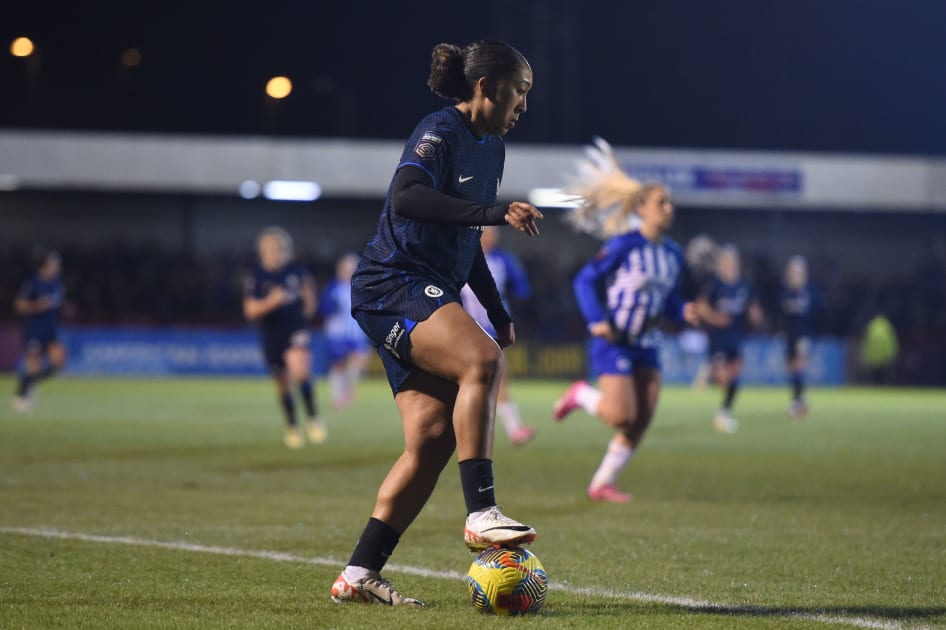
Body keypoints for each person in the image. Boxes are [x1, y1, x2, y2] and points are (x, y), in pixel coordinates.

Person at [330, 40, 543, 607]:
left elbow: (467, 237)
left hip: (425, 289)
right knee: (481, 362)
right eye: (519, 90)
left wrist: (496, 310)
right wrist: (497, 212)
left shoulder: (492, 149)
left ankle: (358, 575)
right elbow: (406, 197)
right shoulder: (440, 130)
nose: (524, 103)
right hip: (391, 281)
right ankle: (482, 512)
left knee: (430, 439)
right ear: (485, 86)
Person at [552, 137, 699, 503]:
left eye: (670, 202)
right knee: (620, 416)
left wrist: (685, 312)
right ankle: (580, 393)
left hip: (648, 343)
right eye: (661, 202)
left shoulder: (672, 253)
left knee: (642, 419)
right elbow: (585, 279)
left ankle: (601, 483)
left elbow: (669, 303)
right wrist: (596, 319)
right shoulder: (624, 245)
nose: (669, 208)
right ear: (642, 209)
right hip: (614, 339)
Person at [243, 227, 325, 449]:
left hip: (295, 328)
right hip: (272, 332)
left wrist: (305, 311)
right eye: (270, 248)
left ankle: (312, 417)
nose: (275, 252)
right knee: (283, 383)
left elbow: (310, 298)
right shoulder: (258, 277)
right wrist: (272, 302)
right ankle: (292, 424)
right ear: (262, 251)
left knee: (300, 372)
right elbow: (250, 310)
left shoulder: (296, 271)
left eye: (279, 248)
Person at [460, 226, 537, 446]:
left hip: (493, 326)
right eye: (489, 233)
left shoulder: (503, 259)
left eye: (495, 234)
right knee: (475, 377)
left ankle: (512, 429)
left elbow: (523, 287)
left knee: (499, 376)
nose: (493, 238)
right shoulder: (463, 256)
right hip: (466, 326)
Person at [695, 245, 764, 433]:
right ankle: (710, 372)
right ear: (721, 263)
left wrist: (755, 315)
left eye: (733, 261)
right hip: (717, 336)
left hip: (736, 335)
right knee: (723, 378)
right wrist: (715, 318)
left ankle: (724, 412)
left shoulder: (744, 285)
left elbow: (753, 306)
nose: (730, 264)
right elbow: (701, 307)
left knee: (735, 374)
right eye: (727, 261)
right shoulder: (714, 284)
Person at [11, 249, 67, 412]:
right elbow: (19, 306)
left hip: (51, 328)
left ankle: (28, 383)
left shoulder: (57, 283)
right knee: (32, 364)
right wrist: (37, 306)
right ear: (45, 266)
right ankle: (22, 394)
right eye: (54, 264)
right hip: (34, 328)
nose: (57, 267)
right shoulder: (33, 283)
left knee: (58, 363)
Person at [319, 253, 371, 408]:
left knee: (360, 360)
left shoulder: (361, 287)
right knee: (338, 364)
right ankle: (337, 396)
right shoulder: (334, 287)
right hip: (338, 332)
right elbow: (324, 308)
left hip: (356, 331)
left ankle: (347, 390)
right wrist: (332, 306)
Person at [780, 255, 814, 419]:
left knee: (798, 366)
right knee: (791, 369)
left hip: (802, 336)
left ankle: (798, 402)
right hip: (789, 336)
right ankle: (800, 399)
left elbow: (816, 315)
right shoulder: (786, 293)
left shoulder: (808, 293)